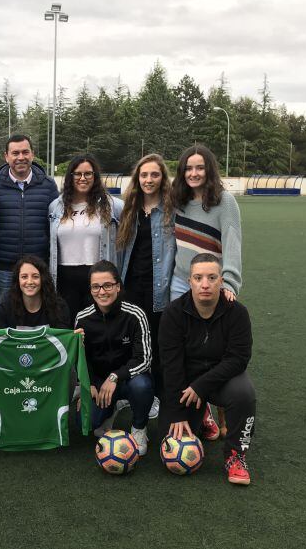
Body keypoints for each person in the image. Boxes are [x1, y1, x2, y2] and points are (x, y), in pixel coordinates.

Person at [158, 253, 256, 485]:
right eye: (198, 277)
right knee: (168, 441)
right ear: (189, 280)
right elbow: (170, 366)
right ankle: (199, 414)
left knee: (244, 394)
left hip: (219, 380)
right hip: (186, 383)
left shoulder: (237, 313)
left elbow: (239, 359)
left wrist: (201, 386)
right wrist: (178, 412)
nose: (205, 284)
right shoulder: (173, 313)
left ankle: (236, 455)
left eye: (212, 277)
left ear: (221, 280)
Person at [170, 144, 242, 440]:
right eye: (188, 168)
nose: (194, 173)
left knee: (216, 351)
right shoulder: (178, 201)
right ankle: (203, 415)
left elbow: (233, 243)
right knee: (188, 352)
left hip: (212, 285)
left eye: (200, 167)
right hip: (180, 283)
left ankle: (222, 415)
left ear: (209, 170)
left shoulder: (224, 202)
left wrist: (230, 283)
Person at [117, 154, 175, 419]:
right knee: (135, 344)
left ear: (162, 178)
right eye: (144, 175)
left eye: (154, 175)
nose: (149, 180)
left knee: (159, 346)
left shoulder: (172, 209)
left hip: (159, 289)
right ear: (137, 179)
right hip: (131, 288)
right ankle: (133, 393)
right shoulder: (129, 208)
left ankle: (158, 396)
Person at [74, 260, 154, 455]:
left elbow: (144, 359)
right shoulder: (82, 318)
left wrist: (115, 376)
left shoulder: (135, 314)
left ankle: (139, 427)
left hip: (129, 379)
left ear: (118, 286)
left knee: (142, 386)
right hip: (101, 384)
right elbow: (79, 359)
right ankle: (110, 410)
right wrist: (89, 384)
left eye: (107, 285)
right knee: (86, 421)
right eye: (96, 287)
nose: (102, 292)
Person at [48, 154, 124, 322]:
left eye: (88, 173)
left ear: (95, 176)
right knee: (69, 327)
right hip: (64, 279)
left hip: (98, 278)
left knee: (98, 327)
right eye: (77, 174)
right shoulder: (56, 206)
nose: (83, 178)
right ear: (70, 177)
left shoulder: (113, 206)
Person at [0, 134, 59, 308]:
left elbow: (56, 222)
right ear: (6, 156)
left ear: (32, 154)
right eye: (15, 153)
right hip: (5, 267)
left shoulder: (48, 185)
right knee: (5, 317)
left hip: (38, 267)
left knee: (40, 316)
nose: (21, 157)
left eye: (25, 152)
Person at [0, 255, 71, 330]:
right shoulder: (6, 307)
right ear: (18, 280)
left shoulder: (58, 307)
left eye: (35, 276)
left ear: (43, 279)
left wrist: (76, 336)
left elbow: (64, 339)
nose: (29, 282)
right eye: (24, 277)